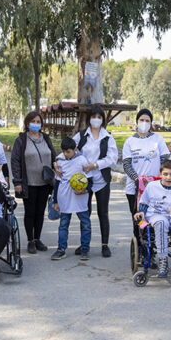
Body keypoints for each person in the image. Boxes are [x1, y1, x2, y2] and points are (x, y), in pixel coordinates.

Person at [72, 105, 118, 257]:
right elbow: (70, 151)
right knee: (85, 213)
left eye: (99, 117)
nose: (96, 120)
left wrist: (96, 165)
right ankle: (84, 244)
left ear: (103, 120)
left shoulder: (108, 137)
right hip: (85, 180)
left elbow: (112, 158)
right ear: (89, 119)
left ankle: (105, 245)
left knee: (102, 212)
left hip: (102, 180)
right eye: (93, 117)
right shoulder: (81, 136)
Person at [11, 111, 56, 254]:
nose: (36, 124)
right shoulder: (22, 140)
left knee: (40, 212)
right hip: (28, 183)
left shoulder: (46, 138)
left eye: (38, 122)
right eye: (33, 121)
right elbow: (15, 161)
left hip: (45, 182)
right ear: (27, 123)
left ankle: (37, 239)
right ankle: (30, 240)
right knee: (30, 212)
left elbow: (53, 156)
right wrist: (17, 182)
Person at [122, 108, 170, 240]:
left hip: (155, 186)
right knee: (138, 217)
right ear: (136, 122)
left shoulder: (157, 139)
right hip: (134, 188)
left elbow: (165, 160)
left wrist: (161, 177)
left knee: (153, 216)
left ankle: (153, 244)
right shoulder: (129, 142)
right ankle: (139, 244)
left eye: (147, 120)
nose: (144, 123)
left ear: (151, 123)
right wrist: (138, 180)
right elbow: (126, 164)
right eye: (141, 120)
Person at [51, 137, 92, 260]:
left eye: (68, 151)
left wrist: (85, 189)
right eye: (64, 151)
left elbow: (90, 180)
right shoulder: (60, 162)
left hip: (79, 196)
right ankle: (61, 249)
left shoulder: (82, 160)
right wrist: (56, 201)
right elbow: (57, 182)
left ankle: (84, 248)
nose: (65, 154)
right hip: (64, 196)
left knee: (85, 222)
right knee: (63, 223)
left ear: (75, 149)